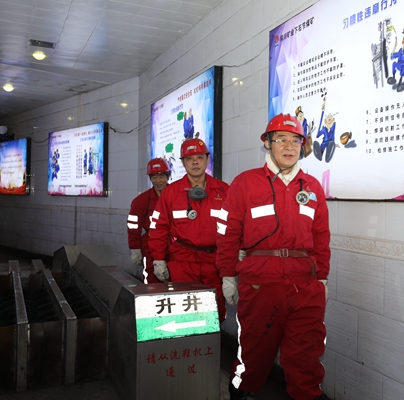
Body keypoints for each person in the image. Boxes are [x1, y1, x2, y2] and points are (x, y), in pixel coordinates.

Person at [215, 113, 331, 400]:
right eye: (281, 139)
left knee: (306, 358)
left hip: (305, 286)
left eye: (295, 140)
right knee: (254, 355)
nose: (289, 146)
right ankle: (241, 392)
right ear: (267, 143)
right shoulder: (245, 183)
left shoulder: (312, 187)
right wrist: (227, 274)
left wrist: (323, 278)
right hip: (260, 284)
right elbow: (227, 232)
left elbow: (321, 237)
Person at [149, 138, 229, 322]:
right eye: (189, 158)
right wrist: (158, 259)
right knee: (184, 314)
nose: (195, 162)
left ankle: (211, 341)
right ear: (183, 162)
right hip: (182, 262)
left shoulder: (223, 191)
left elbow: (234, 228)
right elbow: (158, 227)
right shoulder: (171, 193)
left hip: (214, 263)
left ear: (207, 160)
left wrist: (233, 263)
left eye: (199, 157)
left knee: (214, 312)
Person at [127, 158, 171, 284]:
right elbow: (133, 226)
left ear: (168, 176)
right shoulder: (141, 201)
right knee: (151, 281)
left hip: (174, 246)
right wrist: (135, 248)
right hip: (150, 246)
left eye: (161, 176)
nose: (158, 181)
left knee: (177, 282)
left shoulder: (177, 195)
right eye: (154, 177)